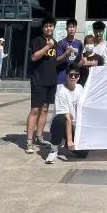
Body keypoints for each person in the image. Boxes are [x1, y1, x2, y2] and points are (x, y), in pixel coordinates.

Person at [25, 18, 58, 154]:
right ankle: (29, 140)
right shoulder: (37, 41)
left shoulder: (55, 42)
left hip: (51, 80)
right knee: (35, 110)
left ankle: (39, 137)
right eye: (46, 26)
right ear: (43, 28)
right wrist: (47, 47)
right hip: (38, 80)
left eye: (51, 26)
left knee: (45, 109)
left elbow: (54, 60)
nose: (49, 28)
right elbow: (34, 57)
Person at [46, 66, 84, 163]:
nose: (73, 77)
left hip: (74, 125)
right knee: (60, 119)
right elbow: (66, 117)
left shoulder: (80, 88)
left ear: (79, 77)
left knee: (83, 153)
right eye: (71, 75)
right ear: (66, 75)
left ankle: (66, 143)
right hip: (62, 124)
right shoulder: (61, 91)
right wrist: (70, 140)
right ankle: (54, 149)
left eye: (76, 75)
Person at [55, 19, 83, 85]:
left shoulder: (79, 43)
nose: (72, 29)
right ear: (66, 29)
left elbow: (80, 59)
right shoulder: (61, 43)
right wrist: (66, 53)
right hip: (62, 76)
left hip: (74, 77)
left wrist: (81, 62)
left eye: (74, 27)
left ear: (76, 29)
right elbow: (57, 60)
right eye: (70, 27)